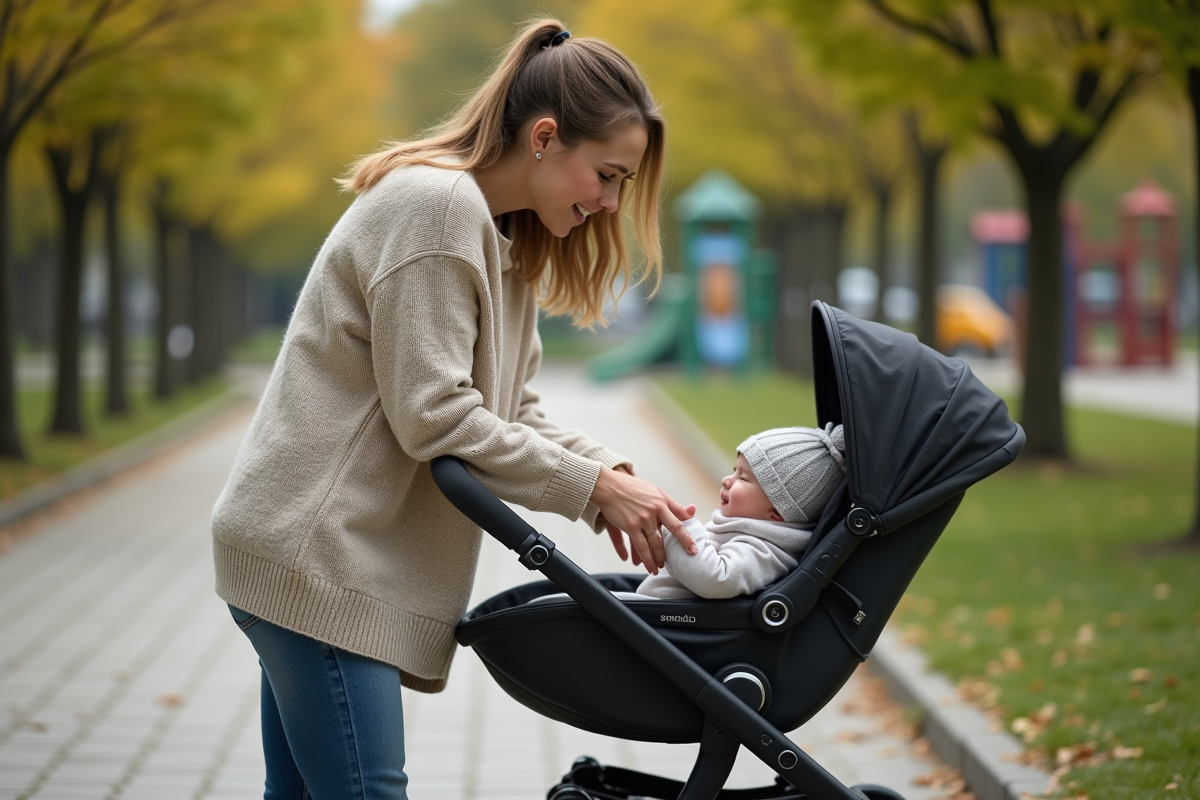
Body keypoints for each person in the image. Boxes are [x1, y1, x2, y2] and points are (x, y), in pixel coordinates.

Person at [210, 20, 697, 800]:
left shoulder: (504, 238)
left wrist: (609, 473)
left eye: (622, 186)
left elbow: (514, 407)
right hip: (321, 556)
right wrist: (591, 490)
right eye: (606, 175)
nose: (609, 204)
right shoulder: (436, 210)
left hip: (327, 556)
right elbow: (435, 416)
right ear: (545, 137)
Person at [637, 423, 847, 600]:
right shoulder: (749, 532)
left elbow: (716, 579)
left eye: (743, 478)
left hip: (670, 630)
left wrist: (679, 531)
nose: (726, 480)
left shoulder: (764, 551)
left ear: (777, 513)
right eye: (733, 471)